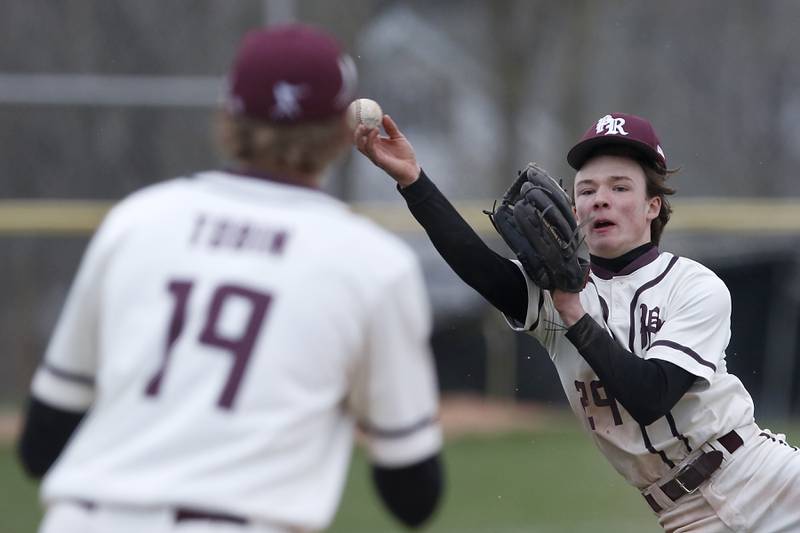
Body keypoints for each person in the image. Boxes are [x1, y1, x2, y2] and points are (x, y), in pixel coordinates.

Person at [17, 24, 444, 533]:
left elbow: (40, 446)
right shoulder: (372, 263)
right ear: (341, 130)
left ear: (228, 117)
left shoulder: (138, 221)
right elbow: (412, 495)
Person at [354, 112, 800, 532]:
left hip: (766, 482)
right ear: (571, 210)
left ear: (652, 207)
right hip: (684, 514)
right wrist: (413, 181)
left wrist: (572, 310)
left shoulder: (694, 286)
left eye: (620, 187)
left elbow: (652, 396)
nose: (600, 198)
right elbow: (479, 268)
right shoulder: (554, 296)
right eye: (586, 190)